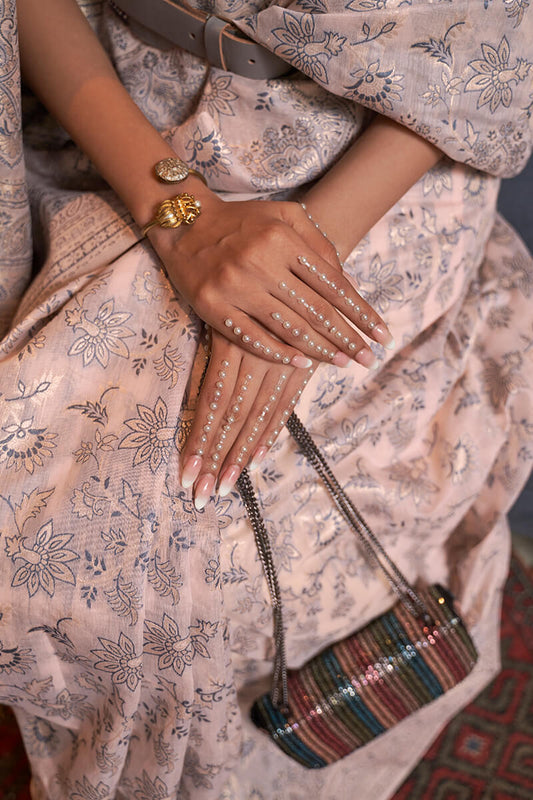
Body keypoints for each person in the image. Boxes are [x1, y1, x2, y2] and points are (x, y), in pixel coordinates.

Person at [0, 0, 532, 797]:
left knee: (235, 541)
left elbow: (487, 46)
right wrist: (180, 218)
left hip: (375, 160)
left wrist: (301, 277)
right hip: (117, 111)